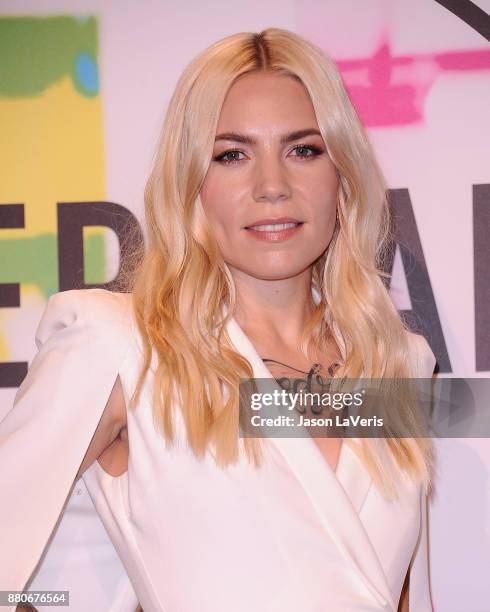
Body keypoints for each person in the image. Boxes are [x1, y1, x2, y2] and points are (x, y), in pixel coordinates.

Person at [0, 27, 437, 612]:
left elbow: (404, 593)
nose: (273, 187)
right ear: (191, 184)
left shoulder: (396, 362)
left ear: (343, 173)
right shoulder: (123, 347)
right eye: (232, 155)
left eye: (303, 149)